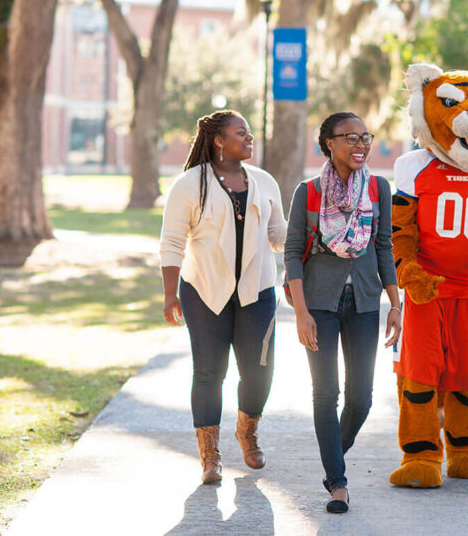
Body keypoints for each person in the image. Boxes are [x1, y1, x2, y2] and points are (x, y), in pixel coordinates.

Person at [159, 110, 288, 485]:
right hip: (204, 291)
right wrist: (170, 293)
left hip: (257, 291)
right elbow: (172, 241)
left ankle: (247, 431)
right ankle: (209, 456)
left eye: (249, 133)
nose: (249, 138)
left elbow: (278, 234)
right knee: (209, 373)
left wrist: (305, 234)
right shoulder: (189, 184)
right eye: (241, 133)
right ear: (219, 140)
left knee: (260, 372)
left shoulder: (264, 182)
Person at [284, 112, 402, 514]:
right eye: (349, 137)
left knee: (362, 399)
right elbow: (292, 253)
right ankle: (337, 482)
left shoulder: (379, 188)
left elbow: (384, 246)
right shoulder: (309, 191)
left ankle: (332, 450)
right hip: (319, 302)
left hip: (366, 302)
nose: (360, 145)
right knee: (325, 392)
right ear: (328, 143)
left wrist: (395, 304)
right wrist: (301, 312)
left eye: (364, 137)